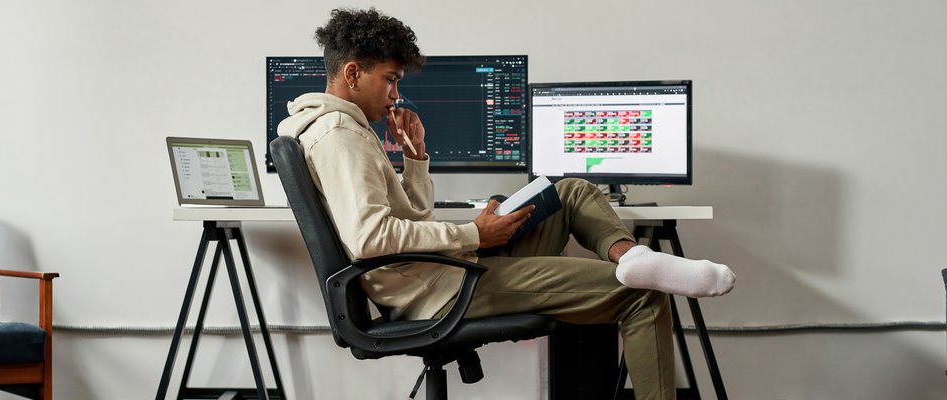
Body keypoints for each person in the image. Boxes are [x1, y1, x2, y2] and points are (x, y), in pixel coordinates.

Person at [276, 8, 736, 400]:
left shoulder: (343, 129)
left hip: (440, 272)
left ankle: (633, 256)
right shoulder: (340, 134)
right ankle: (641, 274)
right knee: (645, 297)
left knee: (568, 190)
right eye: (390, 80)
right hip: (440, 292)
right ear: (353, 72)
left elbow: (409, 220)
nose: (396, 94)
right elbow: (371, 238)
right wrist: (476, 233)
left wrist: (415, 160)